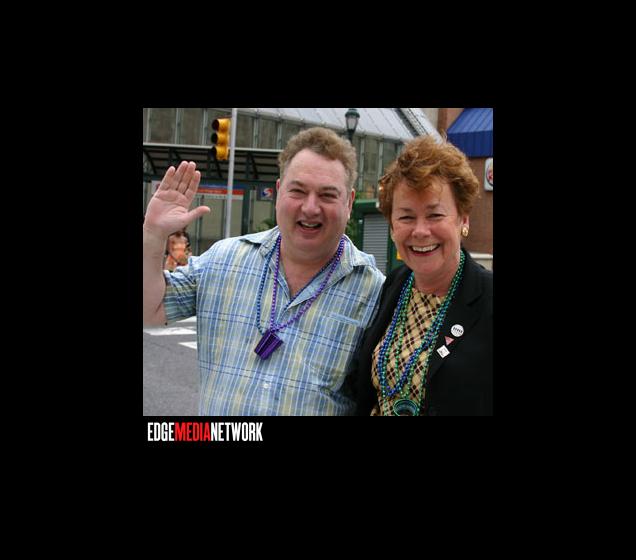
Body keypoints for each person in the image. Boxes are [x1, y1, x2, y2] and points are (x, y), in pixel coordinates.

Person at [143, 127, 385, 415]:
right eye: (298, 191)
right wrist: (153, 235)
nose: (310, 207)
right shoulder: (223, 260)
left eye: (327, 195)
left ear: (349, 202)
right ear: (279, 191)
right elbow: (149, 310)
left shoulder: (374, 292)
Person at [353, 135, 492, 416]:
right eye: (406, 217)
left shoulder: (488, 299)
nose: (420, 231)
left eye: (435, 215)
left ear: (463, 219)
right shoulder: (394, 285)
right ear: (392, 226)